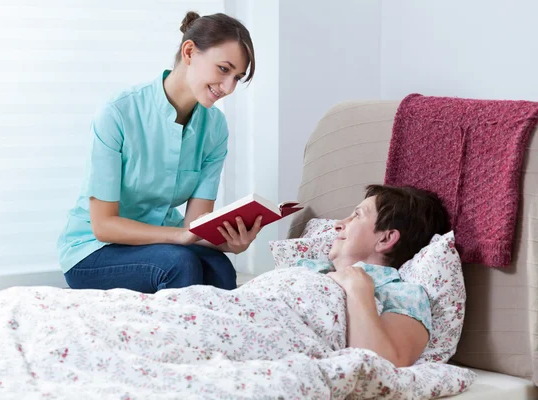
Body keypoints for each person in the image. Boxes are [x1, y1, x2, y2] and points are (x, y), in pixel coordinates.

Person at [57, 11, 259, 293]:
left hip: (163, 244)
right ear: (189, 52)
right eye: (224, 69)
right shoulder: (119, 112)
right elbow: (103, 225)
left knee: (220, 267)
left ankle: (217, 338)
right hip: (94, 249)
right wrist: (180, 236)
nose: (228, 87)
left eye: (237, 77)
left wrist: (231, 242)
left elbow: (194, 226)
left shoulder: (214, 127)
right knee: (179, 263)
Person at [300, 184, 450, 367]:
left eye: (357, 215)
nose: (338, 225)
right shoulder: (309, 267)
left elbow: (383, 366)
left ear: (385, 239)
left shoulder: (402, 294)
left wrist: (357, 290)